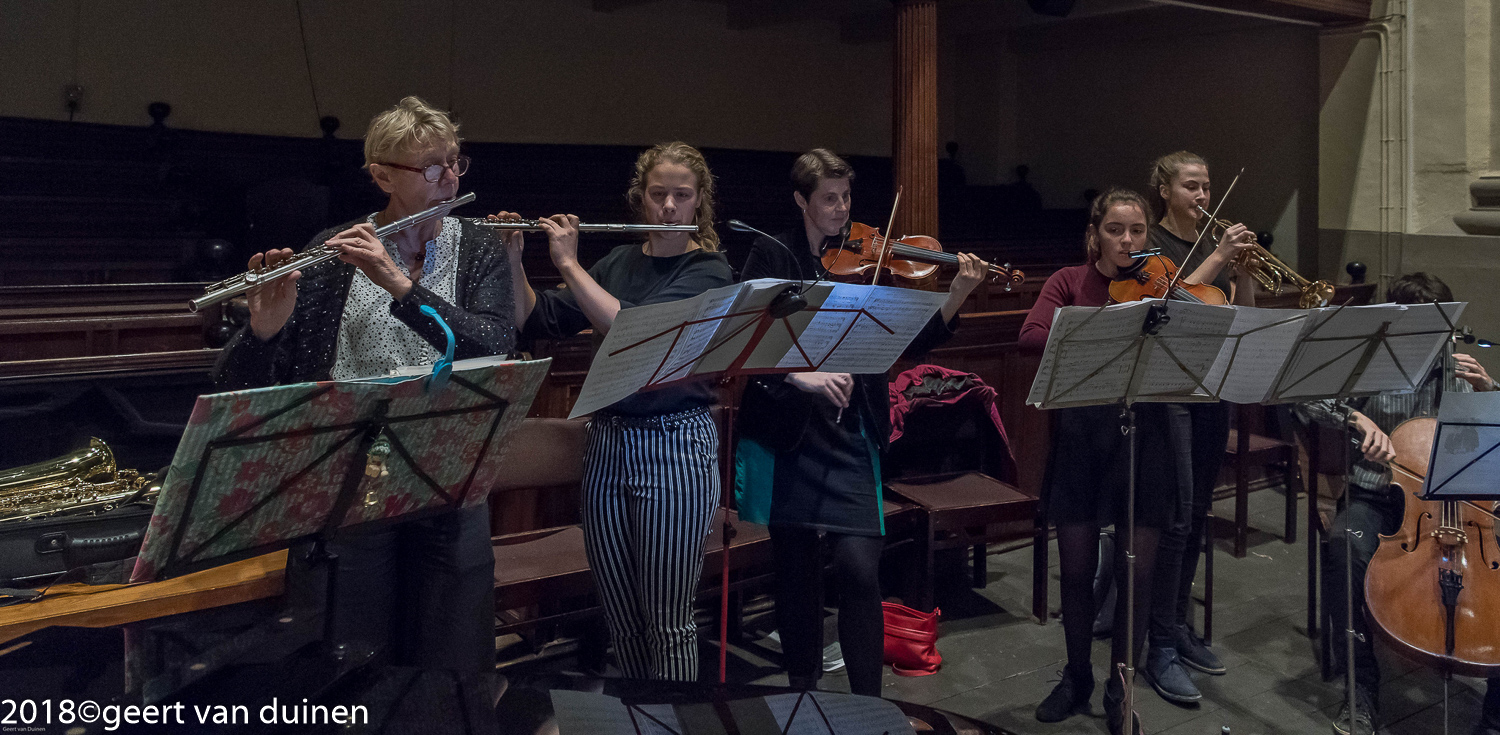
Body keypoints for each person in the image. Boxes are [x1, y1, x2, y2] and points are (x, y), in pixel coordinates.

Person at [215, 96, 517, 674]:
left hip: (450, 476)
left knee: (452, 659)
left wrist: (402, 287)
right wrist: (264, 332)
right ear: (382, 176)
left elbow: (494, 342)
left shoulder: (478, 246)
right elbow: (243, 384)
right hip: (354, 484)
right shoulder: (335, 252)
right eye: (431, 168)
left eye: (455, 162)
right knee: (353, 659)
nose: (449, 178)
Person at [733, 148, 985, 697]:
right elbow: (746, 339)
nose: (842, 209)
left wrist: (957, 292)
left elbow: (909, 338)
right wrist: (800, 376)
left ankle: (868, 705)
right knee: (796, 570)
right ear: (801, 200)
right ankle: (802, 691)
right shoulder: (772, 252)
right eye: (829, 199)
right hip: (789, 436)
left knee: (858, 569)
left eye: (846, 197)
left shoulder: (869, 259)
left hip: (849, 433)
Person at [505, 142, 734, 682]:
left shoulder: (710, 270)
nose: (669, 207)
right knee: (623, 621)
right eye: (658, 195)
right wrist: (514, 259)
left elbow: (637, 330)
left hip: (675, 445)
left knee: (668, 623)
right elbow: (534, 319)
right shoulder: (618, 262)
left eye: (682, 196)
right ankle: (637, 714)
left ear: (699, 202)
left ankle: (671, 716)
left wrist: (567, 262)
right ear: (641, 198)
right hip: (607, 441)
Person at [1296, 273, 1500, 735]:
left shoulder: (1463, 370)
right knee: (1344, 548)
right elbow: (1308, 398)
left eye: (1440, 330)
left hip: (1460, 505)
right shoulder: (1374, 362)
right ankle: (1361, 691)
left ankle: (1495, 715)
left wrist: (1490, 391)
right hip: (1377, 495)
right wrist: (1356, 418)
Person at [1022, 187, 1176, 735]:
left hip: (1145, 436)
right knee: (1076, 571)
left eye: (1137, 231)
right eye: (1115, 230)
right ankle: (1077, 676)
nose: (1127, 241)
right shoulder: (1069, 281)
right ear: (1095, 235)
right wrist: (1099, 328)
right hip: (1082, 437)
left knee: (1138, 573)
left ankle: (1120, 687)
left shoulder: (1164, 287)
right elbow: (1032, 336)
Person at [1141, 151, 1258, 706]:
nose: (1203, 196)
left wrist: (1244, 274)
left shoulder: (1213, 245)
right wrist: (1219, 256)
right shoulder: (1151, 243)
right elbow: (1172, 301)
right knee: (1177, 519)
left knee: (1198, 518)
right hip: (1171, 394)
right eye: (1191, 186)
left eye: (1207, 186)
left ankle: (1176, 625)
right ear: (1165, 190)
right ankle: (1159, 644)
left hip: (1214, 391)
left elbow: (1243, 317)